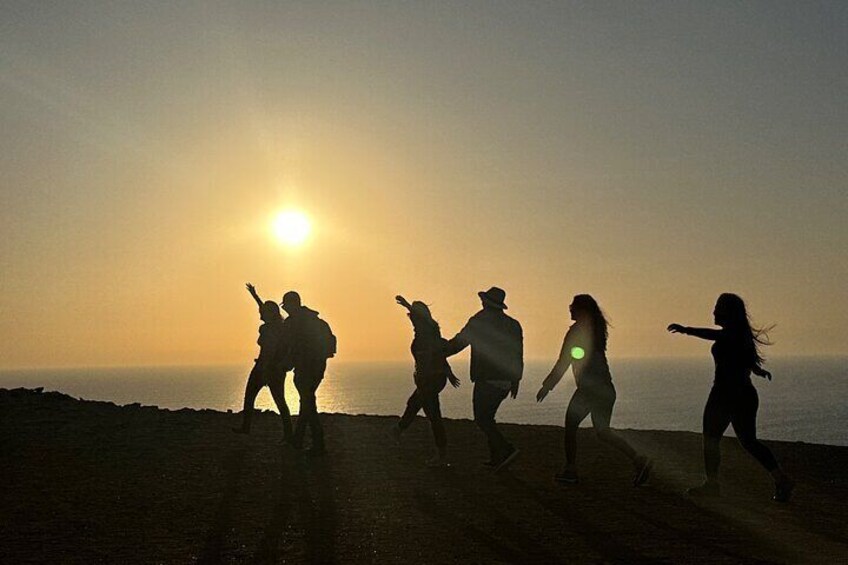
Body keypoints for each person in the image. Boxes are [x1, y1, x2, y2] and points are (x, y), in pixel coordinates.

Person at [668, 293, 794, 502]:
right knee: (748, 441)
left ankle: (712, 485)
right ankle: (781, 479)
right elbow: (743, 358)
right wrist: (757, 370)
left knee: (711, 439)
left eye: (718, 308)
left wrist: (686, 330)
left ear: (729, 312)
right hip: (744, 393)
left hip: (725, 394)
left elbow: (715, 337)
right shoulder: (740, 335)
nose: (714, 312)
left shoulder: (732, 334)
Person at [536, 295, 652, 486]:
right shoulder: (596, 330)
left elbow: (564, 361)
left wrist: (547, 386)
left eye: (573, 306)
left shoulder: (576, 331)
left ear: (581, 310)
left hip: (589, 390)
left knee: (571, 428)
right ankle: (638, 459)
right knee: (603, 431)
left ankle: (570, 471)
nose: (570, 309)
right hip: (606, 388)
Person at [446, 287, 523, 472]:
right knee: (488, 417)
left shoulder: (479, 321)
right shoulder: (513, 324)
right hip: (505, 379)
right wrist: (516, 379)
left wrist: (439, 350)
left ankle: (506, 449)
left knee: (482, 419)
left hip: (486, 377)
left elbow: (458, 343)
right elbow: (518, 353)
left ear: (485, 302)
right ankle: (496, 457)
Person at [391, 295, 461, 466]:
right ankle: (397, 431)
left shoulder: (427, 332)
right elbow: (440, 355)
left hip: (430, 379)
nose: (412, 320)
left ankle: (441, 454)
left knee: (433, 415)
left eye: (414, 316)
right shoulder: (429, 333)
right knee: (414, 403)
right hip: (429, 378)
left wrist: (408, 305)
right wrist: (449, 372)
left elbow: (437, 354)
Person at [232, 283, 293, 441]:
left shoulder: (269, 329)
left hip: (269, 368)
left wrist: (268, 367)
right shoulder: (277, 326)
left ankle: (288, 434)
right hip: (266, 367)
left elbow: (272, 351)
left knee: (278, 400)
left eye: (262, 313)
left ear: (268, 314)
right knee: (253, 397)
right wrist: (255, 296)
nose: (259, 315)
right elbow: (264, 308)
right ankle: (247, 427)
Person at [281, 290, 336, 456]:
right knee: (306, 401)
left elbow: (291, 347)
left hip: (305, 368)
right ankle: (298, 440)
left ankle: (318, 444)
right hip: (318, 368)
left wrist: (285, 364)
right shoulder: (317, 322)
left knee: (308, 403)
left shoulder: (293, 323)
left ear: (292, 305)